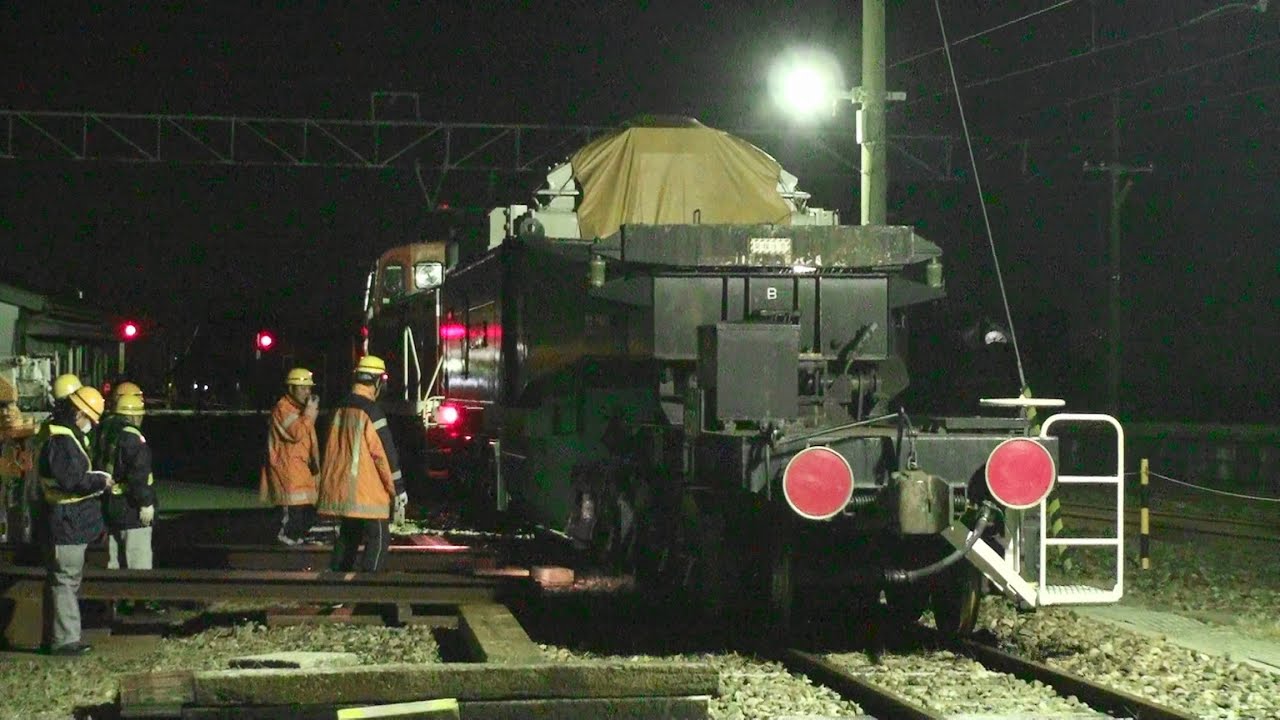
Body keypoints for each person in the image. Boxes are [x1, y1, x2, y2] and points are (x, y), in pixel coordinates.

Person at [39, 385, 113, 655]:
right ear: (79, 413)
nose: (92, 425)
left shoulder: (62, 435)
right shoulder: (62, 441)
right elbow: (74, 480)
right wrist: (101, 481)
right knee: (66, 581)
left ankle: (58, 638)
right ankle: (65, 642)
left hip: (66, 520)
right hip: (66, 521)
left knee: (63, 580)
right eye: (91, 419)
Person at [317, 355, 406, 572]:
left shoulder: (340, 407)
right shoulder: (371, 411)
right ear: (377, 381)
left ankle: (335, 588)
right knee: (379, 537)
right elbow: (384, 455)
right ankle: (369, 589)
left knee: (348, 536)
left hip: (342, 489)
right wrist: (398, 489)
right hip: (367, 492)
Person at [260, 368, 321, 546]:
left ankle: (295, 552)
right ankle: (282, 556)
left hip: (300, 471)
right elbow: (297, 433)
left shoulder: (299, 410)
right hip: (287, 473)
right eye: (302, 388)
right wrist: (310, 413)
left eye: (308, 388)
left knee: (302, 518)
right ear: (291, 388)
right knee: (289, 520)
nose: (307, 392)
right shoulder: (284, 408)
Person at [98, 393, 156, 573]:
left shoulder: (104, 431)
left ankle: (114, 599)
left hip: (109, 505)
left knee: (113, 562)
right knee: (138, 563)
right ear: (134, 416)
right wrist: (146, 503)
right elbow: (138, 474)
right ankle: (139, 600)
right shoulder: (133, 438)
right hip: (131, 510)